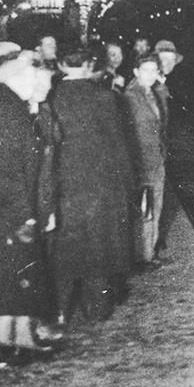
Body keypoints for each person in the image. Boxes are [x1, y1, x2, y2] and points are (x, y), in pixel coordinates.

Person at [48, 50, 138, 325]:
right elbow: (119, 147)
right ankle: (97, 310)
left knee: (64, 251)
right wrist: (130, 187)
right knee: (99, 249)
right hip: (101, 185)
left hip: (63, 186)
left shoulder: (50, 98)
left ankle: (60, 313)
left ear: (62, 65)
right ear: (90, 66)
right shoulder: (104, 98)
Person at [0, 46, 56, 361]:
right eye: (32, 76)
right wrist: (25, 214)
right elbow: (7, 169)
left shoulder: (12, 105)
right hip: (12, 209)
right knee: (12, 276)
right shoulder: (8, 110)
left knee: (16, 276)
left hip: (14, 207)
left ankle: (18, 340)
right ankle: (10, 345)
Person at [124, 54, 169, 266]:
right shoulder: (130, 97)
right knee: (145, 208)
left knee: (153, 207)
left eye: (154, 70)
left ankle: (148, 253)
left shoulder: (151, 93)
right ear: (135, 72)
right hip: (141, 161)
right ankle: (142, 256)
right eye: (145, 70)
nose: (150, 75)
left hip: (155, 159)